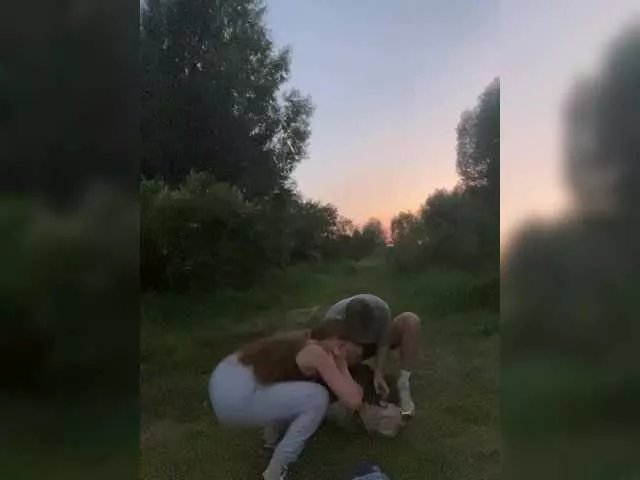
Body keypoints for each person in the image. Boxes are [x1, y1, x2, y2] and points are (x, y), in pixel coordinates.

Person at [208, 327, 364, 480]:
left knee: (297, 394)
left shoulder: (298, 341)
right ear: (326, 339)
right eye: (341, 345)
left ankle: (271, 441)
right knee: (317, 398)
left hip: (224, 380)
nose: (339, 351)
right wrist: (342, 365)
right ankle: (275, 472)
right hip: (235, 395)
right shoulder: (316, 352)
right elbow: (354, 400)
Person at [320, 294, 421, 417]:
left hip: (375, 343)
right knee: (348, 350)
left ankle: (403, 383)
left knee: (410, 321)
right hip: (350, 348)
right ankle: (351, 386)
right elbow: (327, 351)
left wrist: (379, 373)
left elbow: (384, 342)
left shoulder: (381, 310)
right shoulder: (333, 317)